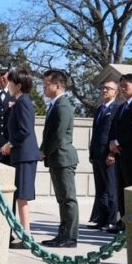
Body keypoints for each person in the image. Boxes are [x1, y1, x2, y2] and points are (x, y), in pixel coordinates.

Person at [0, 69, 42, 248]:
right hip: (21, 155)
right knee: (19, 196)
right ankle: (24, 234)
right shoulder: (19, 101)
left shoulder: (24, 102)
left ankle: (27, 236)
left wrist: (10, 144)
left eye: (11, 83)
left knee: (22, 197)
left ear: (18, 85)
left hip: (25, 155)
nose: (8, 85)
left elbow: (25, 130)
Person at [40, 69, 79, 248]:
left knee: (68, 199)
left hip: (63, 157)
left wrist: (44, 151)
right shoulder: (55, 105)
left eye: (46, 84)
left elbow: (58, 135)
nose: (44, 88)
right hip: (56, 158)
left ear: (57, 85)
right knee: (62, 199)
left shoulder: (63, 105)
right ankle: (62, 234)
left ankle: (70, 237)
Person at [107, 73, 132, 233]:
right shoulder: (122, 107)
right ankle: (123, 222)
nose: (123, 89)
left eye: (126, 86)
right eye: (121, 86)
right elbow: (114, 128)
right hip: (121, 156)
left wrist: (118, 142)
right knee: (122, 190)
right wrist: (112, 146)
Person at [88, 81, 120, 231]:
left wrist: (113, 153)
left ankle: (113, 220)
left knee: (111, 189)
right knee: (100, 189)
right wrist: (91, 153)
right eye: (103, 88)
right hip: (97, 155)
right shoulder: (100, 109)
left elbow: (115, 132)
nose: (104, 90)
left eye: (108, 88)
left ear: (116, 92)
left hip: (109, 155)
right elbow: (95, 133)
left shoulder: (117, 109)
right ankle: (101, 219)